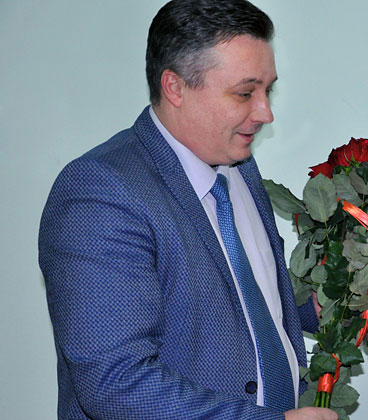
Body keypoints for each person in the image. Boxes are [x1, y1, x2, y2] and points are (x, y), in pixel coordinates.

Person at [38, 1, 337, 419]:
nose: (265, 112)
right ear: (175, 87)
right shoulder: (99, 192)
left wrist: (341, 308)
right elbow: (116, 384)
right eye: (245, 93)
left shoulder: (239, 165)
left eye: (268, 90)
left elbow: (243, 295)